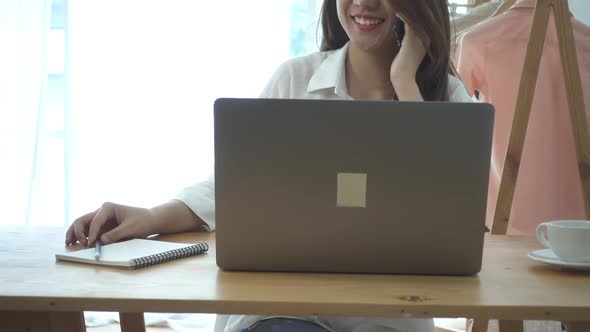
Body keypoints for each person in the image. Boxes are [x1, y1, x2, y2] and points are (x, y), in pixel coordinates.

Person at [66, 0, 472, 331]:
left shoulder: (445, 97)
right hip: (285, 310)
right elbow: (238, 184)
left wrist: (406, 83)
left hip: (388, 317)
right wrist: (151, 215)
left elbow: (450, 213)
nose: (364, 2)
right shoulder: (295, 79)